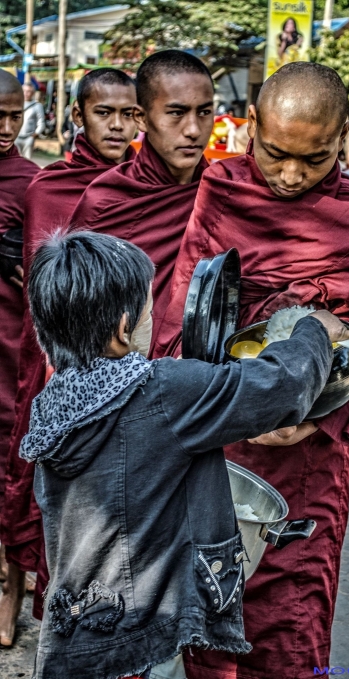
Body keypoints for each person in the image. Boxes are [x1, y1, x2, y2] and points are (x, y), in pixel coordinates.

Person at [155, 62, 349, 678]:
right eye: (275, 153)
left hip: (305, 457)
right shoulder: (222, 189)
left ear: (344, 135)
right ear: (251, 129)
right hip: (221, 438)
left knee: (290, 617)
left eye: (314, 159)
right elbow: (185, 309)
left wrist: (314, 426)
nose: (291, 176)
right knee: (212, 600)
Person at [24, 230, 349, 679]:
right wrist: (313, 329)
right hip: (143, 625)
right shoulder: (160, 391)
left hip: (81, 622)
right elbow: (281, 387)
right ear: (124, 329)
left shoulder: (53, 405)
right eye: (147, 308)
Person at [0, 67, 137, 645]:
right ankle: (12, 594)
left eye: (128, 113)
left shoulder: (144, 186)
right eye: (104, 112)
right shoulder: (48, 187)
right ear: (78, 116)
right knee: (18, 474)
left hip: (93, 360)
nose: (119, 125)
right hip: (31, 352)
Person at [71, 50, 214, 350]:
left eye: (204, 112)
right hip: (120, 375)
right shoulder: (107, 200)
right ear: (142, 117)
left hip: (202, 375)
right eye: (176, 112)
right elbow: (75, 310)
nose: (193, 130)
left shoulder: (223, 193)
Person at [0, 69, 39, 644]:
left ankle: (11, 592)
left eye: (14, 116)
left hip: (11, 349)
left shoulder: (31, 182)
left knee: (12, 470)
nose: (6, 129)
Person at [15, 83, 45, 160]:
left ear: (33, 93)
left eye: (28, 91)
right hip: (16, 137)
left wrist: (36, 134)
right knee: (14, 159)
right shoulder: (15, 103)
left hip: (29, 137)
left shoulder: (37, 106)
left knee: (27, 161)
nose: (26, 93)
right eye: (24, 91)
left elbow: (41, 122)